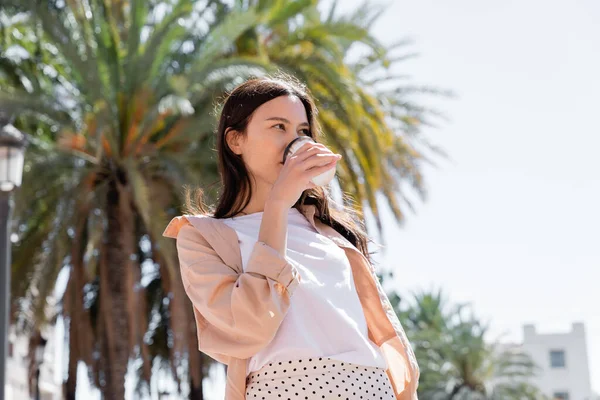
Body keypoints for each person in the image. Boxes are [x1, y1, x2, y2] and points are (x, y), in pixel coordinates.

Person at [162, 75, 419, 400]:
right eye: (278, 127)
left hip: (370, 387)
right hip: (284, 389)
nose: (295, 142)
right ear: (235, 141)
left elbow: (380, 335)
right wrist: (277, 205)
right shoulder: (203, 237)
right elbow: (250, 327)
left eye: (302, 132)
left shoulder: (331, 233)